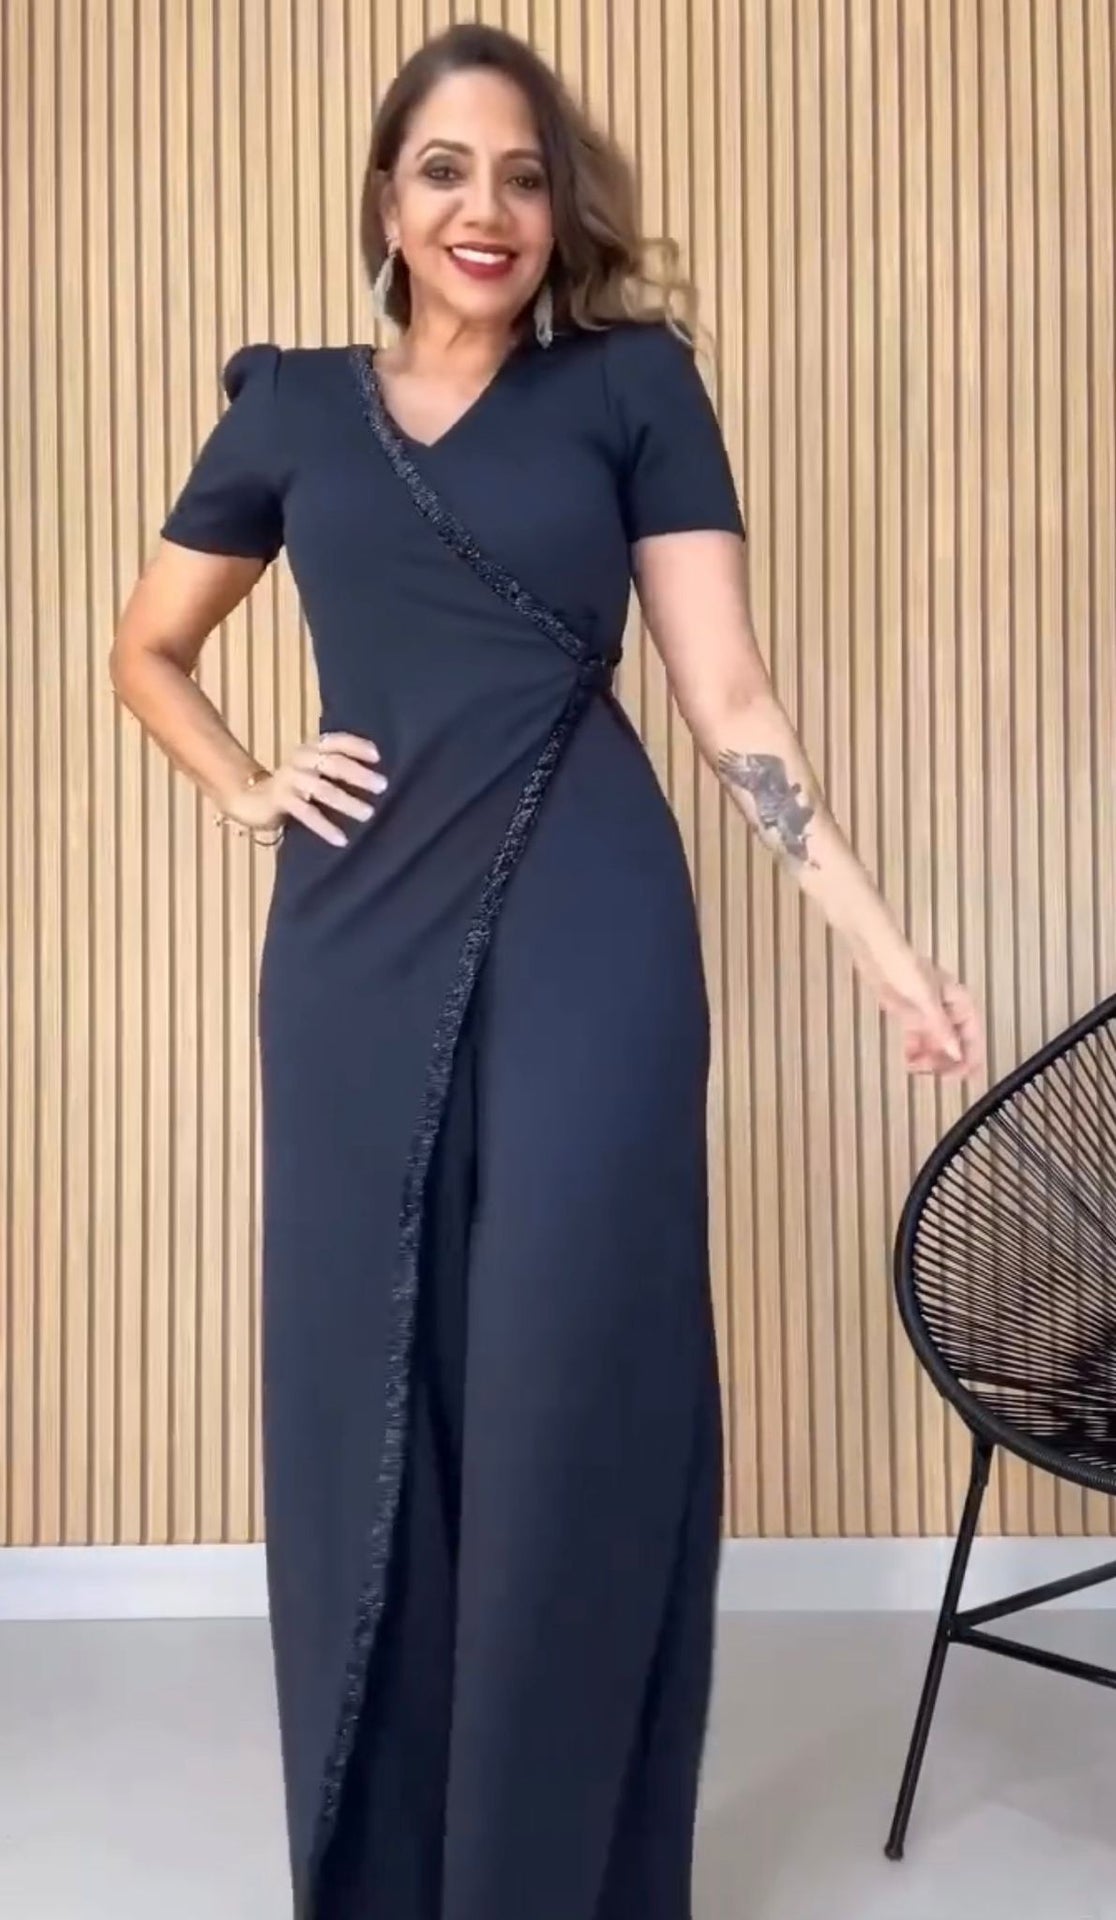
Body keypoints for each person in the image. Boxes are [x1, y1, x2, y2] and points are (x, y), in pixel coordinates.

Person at [109, 22, 982, 1920]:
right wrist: (248, 781)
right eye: (445, 169)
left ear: (556, 205)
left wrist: (881, 946)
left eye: (521, 173)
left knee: (571, 1376)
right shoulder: (290, 410)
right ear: (386, 203)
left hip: (594, 921)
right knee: (368, 1379)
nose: (486, 207)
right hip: (350, 952)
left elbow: (729, 698)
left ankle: (549, 1876)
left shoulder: (631, 385)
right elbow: (146, 645)